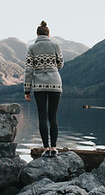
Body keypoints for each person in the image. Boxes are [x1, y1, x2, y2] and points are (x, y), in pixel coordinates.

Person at [24, 20, 64, 157]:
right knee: (53, 117)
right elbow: (60, 64)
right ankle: (54, 148)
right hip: (55, 83)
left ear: (37, 34)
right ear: (48, 34)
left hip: (39, 85)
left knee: (42, 117)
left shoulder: (31, 48)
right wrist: (51, 67)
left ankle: (46, 148)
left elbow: (28, 70)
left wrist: (27, 90)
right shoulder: (55, 45)